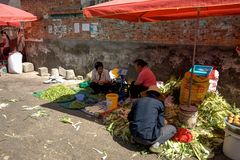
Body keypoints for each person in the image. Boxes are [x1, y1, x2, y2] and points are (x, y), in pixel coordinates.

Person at [128, 85, 177, 153]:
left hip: (135, 135)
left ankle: (134, 140)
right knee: (173, 129)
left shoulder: (137, 101)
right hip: (149, 139)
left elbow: (130, 118)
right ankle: (156, 145)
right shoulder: (159, 104)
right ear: (157, 96)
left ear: (147, 93)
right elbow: (160, 124)